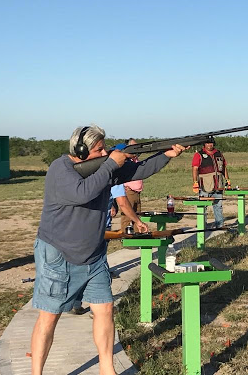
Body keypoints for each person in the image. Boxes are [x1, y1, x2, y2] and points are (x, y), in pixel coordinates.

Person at [30, 125, 186, 375]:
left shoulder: (105, 168)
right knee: (50, 316)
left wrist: (167, 155)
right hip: (59, 254)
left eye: (104, 148)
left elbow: (139, 169)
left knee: (105, 309)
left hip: (93, 255)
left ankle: (107, 368)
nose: (104, 152)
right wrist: (111, 163)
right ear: (80, 150)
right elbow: (83, 192)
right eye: (98, 149)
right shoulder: (61, 169)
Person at [69, 183, 148, 315]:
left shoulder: (91, 173)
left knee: (81, 266)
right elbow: (122, 202)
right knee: (100, 267)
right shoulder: (114, 177)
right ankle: (100, 307)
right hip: (100, 228)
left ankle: (75, 303)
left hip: (80, 226)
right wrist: (138, 221)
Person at [191, 138, 230, 227]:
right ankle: (202, 225)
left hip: (218, 184)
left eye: (211, 143)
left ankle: (219, 225)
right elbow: (195, 169)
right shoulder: (199, 155)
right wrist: (195, 182)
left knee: (218, 206)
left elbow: (224, 168)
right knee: (203, 206)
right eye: (207, 143)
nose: (209, 145)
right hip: (205, 185)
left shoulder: (219, 154)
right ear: (204, 144)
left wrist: (228, 180)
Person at [120, 138, 144, 232]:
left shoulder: (136, 159)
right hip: (129, 191)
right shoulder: (126, 160)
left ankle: (137, 237)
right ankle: (125, 237)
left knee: (137, 215)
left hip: (137, 192)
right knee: (127, 216)